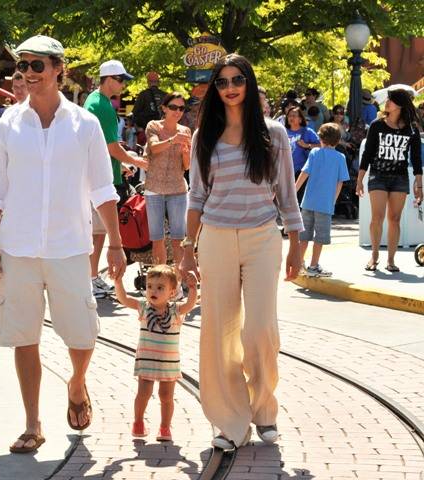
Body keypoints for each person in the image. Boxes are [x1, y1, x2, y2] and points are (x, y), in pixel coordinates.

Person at [0, 35, 127, 454]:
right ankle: (32, 423)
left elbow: (103, 188)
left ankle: (77, 384)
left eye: (36, 65)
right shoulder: (7, 124)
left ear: (58, 68)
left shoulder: (86, 124)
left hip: (69, 247)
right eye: (22, 66)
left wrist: (115, 243)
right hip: (19, 249)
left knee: (82, 335)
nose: (27, 73)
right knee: (24, 336)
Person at [179, 54, 303, 450]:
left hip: (263, 237)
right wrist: (186, 248)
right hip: (215, 236)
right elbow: (197, 195)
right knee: (219, 331)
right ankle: (230, 421)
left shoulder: (274, 135)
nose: (230, 87)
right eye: (221, 82)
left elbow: (286, 194)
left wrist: (297, 245)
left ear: (248, 84)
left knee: (260, 330)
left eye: (237, 80)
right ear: (215, 90)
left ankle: (264, 409)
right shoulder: (204, 137)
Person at [83, 59, 147, 298]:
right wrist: (138, 161)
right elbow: (111, 148)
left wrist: (121, 165)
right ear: (108, 79)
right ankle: (89, 279)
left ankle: (90, 277)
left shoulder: (93, 101)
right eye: (120, 80)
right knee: (98, 232)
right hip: (101, 179)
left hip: (99, 173)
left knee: (97, 232)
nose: (123, 85)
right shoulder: (103, 106)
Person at [114, 265, 197, 442]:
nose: (153, 291)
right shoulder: (143, 307)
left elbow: (190, 304)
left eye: (160, 288)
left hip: (168, 363)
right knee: (143, 392)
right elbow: (124, 299)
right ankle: (138, 422)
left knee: (166, 396)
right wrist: (118, 282)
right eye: (150, 286)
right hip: (147, 360)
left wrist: (192, 288)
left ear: (172, 292)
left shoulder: (175, 311)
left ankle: (165, 427)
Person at [357, 88, 423, 272]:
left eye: (391, 100)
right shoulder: (377, 125)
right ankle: (375, 256)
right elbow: (367, 154)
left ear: (400, 105)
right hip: (377, 175)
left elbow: (416, 158)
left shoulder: (411, 130)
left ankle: (391, 260)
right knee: (376, 218)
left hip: (400, 178)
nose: (387, 103)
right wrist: (359, 179)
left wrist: (419, 183)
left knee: (394, 219)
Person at [295, 123, 350, 277]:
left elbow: (304, 173)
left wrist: (294, 190)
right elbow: (340, 182)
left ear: (320, 138)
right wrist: (333, 200)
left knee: (304, 237)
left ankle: (299, 265)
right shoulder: (340, 157)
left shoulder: (314, 152)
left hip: (308, 202)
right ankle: (313, 266)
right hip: (325, 205)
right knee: (320, 237)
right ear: (338, 140)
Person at [144, 92, 191, 267]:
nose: (177, 111)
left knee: (178, 239)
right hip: (154, 189)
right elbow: (154, 148)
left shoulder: (185, 130)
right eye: (173, 107)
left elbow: (186, 166)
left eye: (181, 108)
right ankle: (160, 278)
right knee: (157, 239)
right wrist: (173, 140)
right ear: (164, 108)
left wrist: (186, 154)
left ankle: (178, 283)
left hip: (178, 189)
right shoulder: (154, 126)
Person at [285, 106, 320, 175]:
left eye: (294, 116)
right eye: (289, 116)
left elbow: (321, 146)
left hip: (302, 171)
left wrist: (307, 145)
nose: (291, 118)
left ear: (300, 119)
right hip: (285, 170)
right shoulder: (283, 131)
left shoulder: (308, 131)